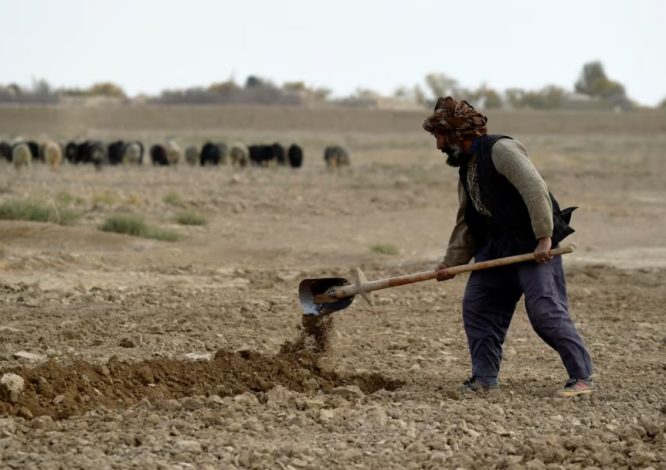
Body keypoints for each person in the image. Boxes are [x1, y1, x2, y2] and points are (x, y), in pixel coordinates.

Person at [423, 96, 593, 398]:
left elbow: (535, 189)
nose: (438, 145)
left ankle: (581, 377)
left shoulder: (502, 150)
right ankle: (484, 379)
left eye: (440, 137)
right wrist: (451, 262)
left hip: (532, 247)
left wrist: (544, 238)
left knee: (544, 312)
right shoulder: (466, 168)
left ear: (458, 134)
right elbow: (467, 219)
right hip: (495, 248)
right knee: (479, 307)